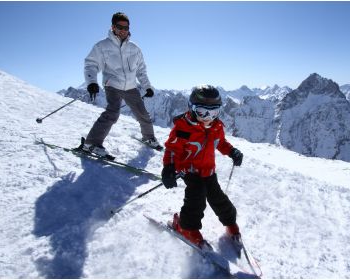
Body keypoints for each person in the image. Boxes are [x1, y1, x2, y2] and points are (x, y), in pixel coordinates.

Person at [161, 85, 244, 247]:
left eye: (213, 112)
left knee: (218, 198)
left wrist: (232, 151)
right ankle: (186, 227)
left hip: (209, 171)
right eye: (202, 112)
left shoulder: (216, 127)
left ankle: (230, 223)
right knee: (196, 198)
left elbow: (220, 143)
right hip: (190, 171)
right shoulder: (183, 129)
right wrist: (168, 168)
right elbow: (171, 149)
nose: (208, 117)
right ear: (192, 109)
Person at [82, 12, 162, 156]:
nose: (123, 31)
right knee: (112, 112)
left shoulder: (134, 48)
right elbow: (91, 64)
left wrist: (147, 86)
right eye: (120, 27)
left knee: (142, 113)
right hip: (112, 84)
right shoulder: (102, 46)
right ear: (113, 27)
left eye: (126, 28)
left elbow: (141, 70)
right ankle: (91, 143)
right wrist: (92, 82)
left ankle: (149, 138)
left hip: (130, 86)